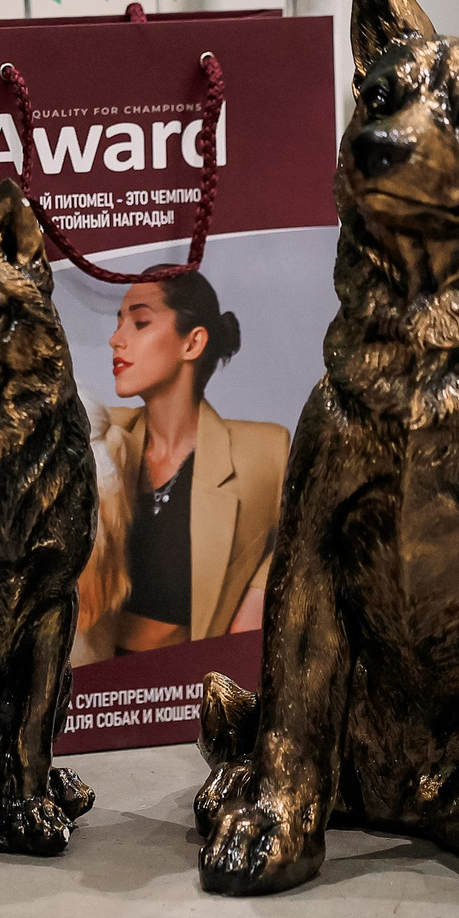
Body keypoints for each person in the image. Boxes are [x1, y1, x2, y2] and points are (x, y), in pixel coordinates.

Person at [100, 274, 288, 653]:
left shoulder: (263, 452)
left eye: (140, 322)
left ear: (193, 343)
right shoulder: (100, 437)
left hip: (192, 681)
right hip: (98, 682)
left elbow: (314, 540)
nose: (116, 339)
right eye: (118, 322)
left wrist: (261, 592)